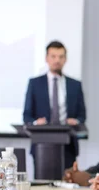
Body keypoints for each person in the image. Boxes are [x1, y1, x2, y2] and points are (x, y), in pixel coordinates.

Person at [23, 40, 86, 169]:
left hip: (68, 146)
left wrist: (76, 121)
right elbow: (27, 115)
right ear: (47, 58)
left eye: (61, 56)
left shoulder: (75, 85)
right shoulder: (35, 83)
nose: (57, 60)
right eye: (53, 56)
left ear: (65, 59)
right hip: (41, 145)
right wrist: (36, 123)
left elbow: (82, 115)